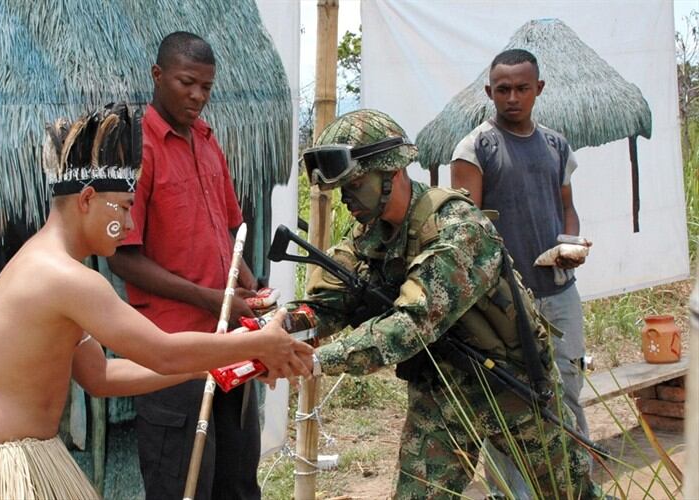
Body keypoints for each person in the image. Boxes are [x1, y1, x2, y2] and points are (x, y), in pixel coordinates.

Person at [0, 104, 313, 500]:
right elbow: (162, 353)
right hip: (3, 473)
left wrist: (219, 364)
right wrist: (258, 343)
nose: (130, 223)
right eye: (123, 208)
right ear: (86, 199)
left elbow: (101, 376)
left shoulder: (47, 266)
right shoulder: (65, 277)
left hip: (21, 457)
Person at [289, 109, 602, 499]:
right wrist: (280, 330)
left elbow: (411, 323)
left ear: (392, 172)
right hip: (441, 392)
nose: (346, 197)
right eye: (342, 189)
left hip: (514, 388)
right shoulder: (371, 237)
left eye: (355, 184)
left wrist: (314, 360)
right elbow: (330, 303)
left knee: (570, 495)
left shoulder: (459, 228)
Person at [106, 32, 263, 500]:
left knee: (238, 483)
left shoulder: (209, 141)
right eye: (186, 82)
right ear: (158, 76)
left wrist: (250, 291)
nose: (197, 96)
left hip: (230, 342)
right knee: (183, 486)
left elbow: (233, 233)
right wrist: (215, 300)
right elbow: (122, 259)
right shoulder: (136, 147)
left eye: (206, 87)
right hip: (170, 350)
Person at [450, 48, 590, 437]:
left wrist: (570, 244)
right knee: (510, 402)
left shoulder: (556, 146)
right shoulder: (475, 149)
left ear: (538, 88)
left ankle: (578, 487)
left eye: (522, 89)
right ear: (488, 91)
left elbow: (567, 206)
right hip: (504, 304)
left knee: (569, 389)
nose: (512, 98)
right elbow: (463, 230)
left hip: (559, 294)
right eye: (503, 89)